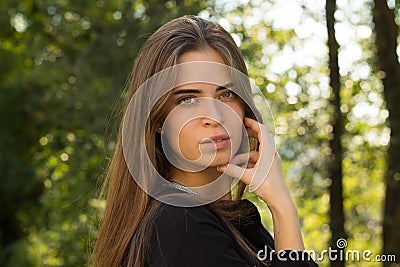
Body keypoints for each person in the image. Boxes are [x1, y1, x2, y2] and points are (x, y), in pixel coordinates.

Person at [92, 15, 318, 267]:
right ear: (157, 120)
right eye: (188, 99)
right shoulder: (180, 224)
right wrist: (284, 209)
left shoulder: (228, 218)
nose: (214, 116)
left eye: (226, 93)